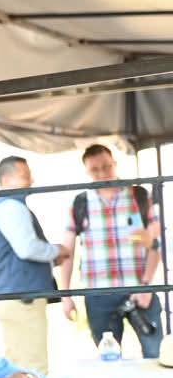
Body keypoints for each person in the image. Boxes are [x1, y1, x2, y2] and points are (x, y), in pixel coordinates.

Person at [60, 143, 163, 358]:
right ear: (87, 172)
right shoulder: (80, 203)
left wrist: (146, 285)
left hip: (139, 289)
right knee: (109, 359)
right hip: (98, 295)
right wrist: (66, 294)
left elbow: (156, 243)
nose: (102, 173)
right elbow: (66, 251)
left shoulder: (138, 195)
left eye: (106, 166)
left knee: (155, 354)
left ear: (115, 163)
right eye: (95, 169)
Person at [0, 156, 67, 375]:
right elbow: (27, 248)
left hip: (17, 296)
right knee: (33, 368)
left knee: (22, 364)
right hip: (23, 298)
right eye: (24, 175)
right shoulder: (11, 206)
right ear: (6, 179)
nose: (31, 180)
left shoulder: (8, 206)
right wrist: (57, 251)